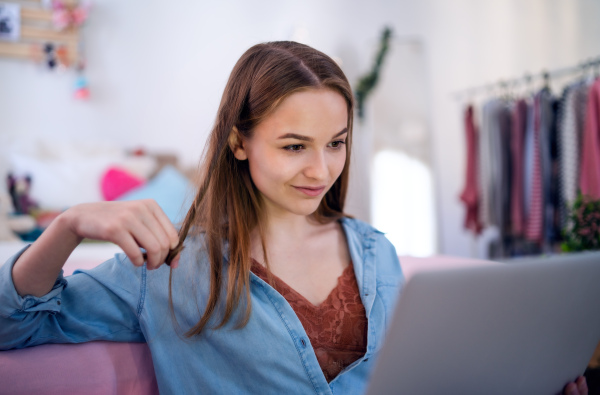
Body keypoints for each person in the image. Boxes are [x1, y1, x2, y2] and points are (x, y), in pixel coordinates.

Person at [0, 41, 589, 395]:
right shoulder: (167, 266)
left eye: (336, 142)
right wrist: (70, 224)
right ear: (239, 142)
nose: (321, 168)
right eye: (293, 146)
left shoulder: (374, 250)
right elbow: (13, 325)